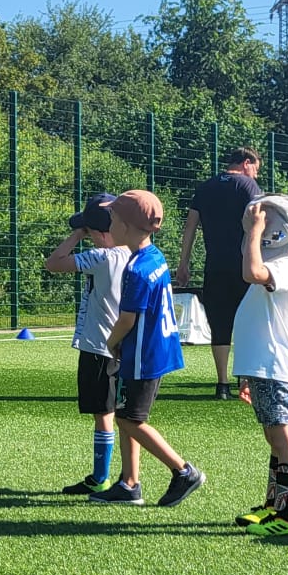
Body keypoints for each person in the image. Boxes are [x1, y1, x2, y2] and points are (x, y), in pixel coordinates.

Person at [91, 190, 206, 507]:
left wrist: (110, 343)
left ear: (126, 226)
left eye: (113, 218)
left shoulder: (137, 270)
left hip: (144, 354)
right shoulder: (153, 257)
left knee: (130, 420)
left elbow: (128, 319)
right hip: (152, 350)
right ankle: (129, 484)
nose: (109, 224)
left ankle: (183, 471)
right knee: (126, 414)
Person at [229, 195, 288, 537]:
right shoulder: (277, 266)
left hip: (273, 366)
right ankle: (274, 505)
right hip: (261, 368)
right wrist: (247, 373)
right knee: (273, 437)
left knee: (282, 436)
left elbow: (252, 272)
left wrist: (256, 230)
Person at [45, 194, 129, 495]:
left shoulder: (101, 257)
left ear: (99, 232)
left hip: (99, 345)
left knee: (103, 414)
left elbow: (53, 263)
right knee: (125, 415)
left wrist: (76, 235)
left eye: (90, 231)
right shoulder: (133, 254)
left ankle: (100, 477)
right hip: (125, 345)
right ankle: (128, 477)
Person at [174, 147, 264, 400]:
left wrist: (184, 263)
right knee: (248, 322)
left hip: (214, 265)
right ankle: (244, 381)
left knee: (219, 324)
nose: (256, 174)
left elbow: (190, 225)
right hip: (244, 265)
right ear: (246, 163)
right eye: (256, 169)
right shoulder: (248, 186)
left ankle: (222, 384)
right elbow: (259, 222)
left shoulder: (205, 187)